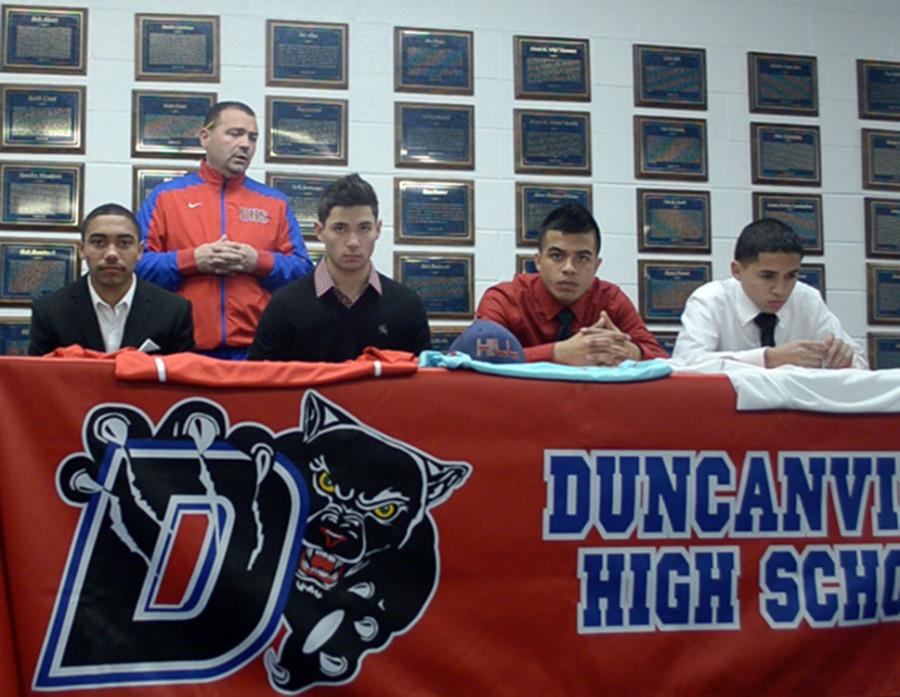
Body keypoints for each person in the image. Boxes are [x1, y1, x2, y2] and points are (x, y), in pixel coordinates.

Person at [136, 100, 311, 359]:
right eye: (235, 134)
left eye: (253, 138)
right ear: (205, 137)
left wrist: (257, 262)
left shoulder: (275, 203)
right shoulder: (165, 198)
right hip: (182, 350)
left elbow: (303, 273)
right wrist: (192, 260)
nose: (245, 145)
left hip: (256, 352)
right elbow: (137, 267)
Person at [249, 174, 430, 362]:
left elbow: (423, 385)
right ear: (319, 231)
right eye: (340, 229)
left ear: (378, 229)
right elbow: (260, 385)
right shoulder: (284, 305)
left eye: (364, 228)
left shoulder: (407, 305)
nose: (353, 242)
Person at [476, 203, 666, 365]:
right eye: (557, 256)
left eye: (582, 258)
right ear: (538, 261)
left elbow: (661, 360)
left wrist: (630, 352)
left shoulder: (610, 300)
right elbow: (475, 358)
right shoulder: (504, 299)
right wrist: (557, 353)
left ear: (596, 265)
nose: (569, 268)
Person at [672, 218, 868, 369]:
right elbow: (686, 364)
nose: (780, 290)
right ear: (737, 271)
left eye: (791, 276)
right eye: (767, 276)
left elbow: (861, 363)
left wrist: (845, 358)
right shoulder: (710, 300)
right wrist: (767, 358)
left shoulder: (807, 299)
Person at [28, 203, 194, 356]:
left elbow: (180, 384)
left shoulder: (174, 311)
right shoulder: (50, 311)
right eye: (99, 242)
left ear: (140, 251)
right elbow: (41, 380)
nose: (112, 254)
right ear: (82, 249)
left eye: (124, 243)